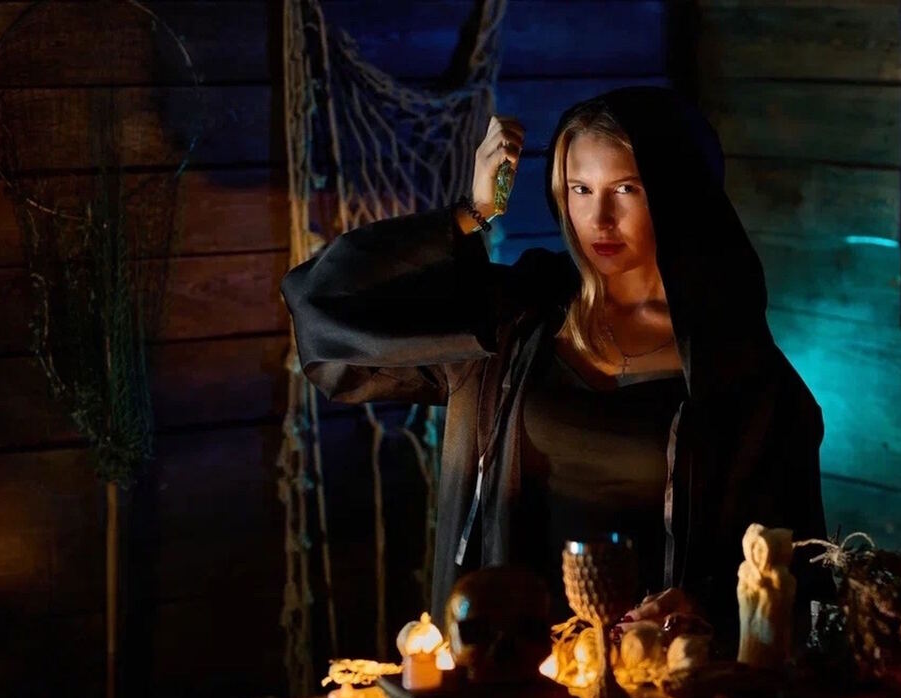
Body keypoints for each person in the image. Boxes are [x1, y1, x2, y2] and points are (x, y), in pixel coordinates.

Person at [280, 86, 832, 651]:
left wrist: (703, 607)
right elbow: (321, 305)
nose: (599, 218)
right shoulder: (515, 320)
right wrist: (473, 212)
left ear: (678, 194)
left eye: (626, 189)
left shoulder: (737, 368)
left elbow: (798, 568)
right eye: (580, 189)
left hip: (657, 672)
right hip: (509, 662)